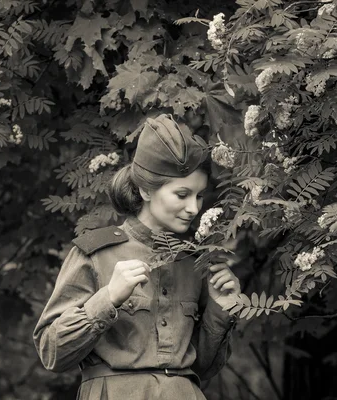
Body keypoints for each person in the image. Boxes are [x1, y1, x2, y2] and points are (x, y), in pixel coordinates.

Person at [33, 114, 241, 399]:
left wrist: (221, 310)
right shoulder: (95, 253)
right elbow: (51, 351)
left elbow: (202, 369)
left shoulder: (197, 263)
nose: (193, 208)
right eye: (182, 194)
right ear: (145, 189)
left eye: (199, 196)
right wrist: (107, 299)